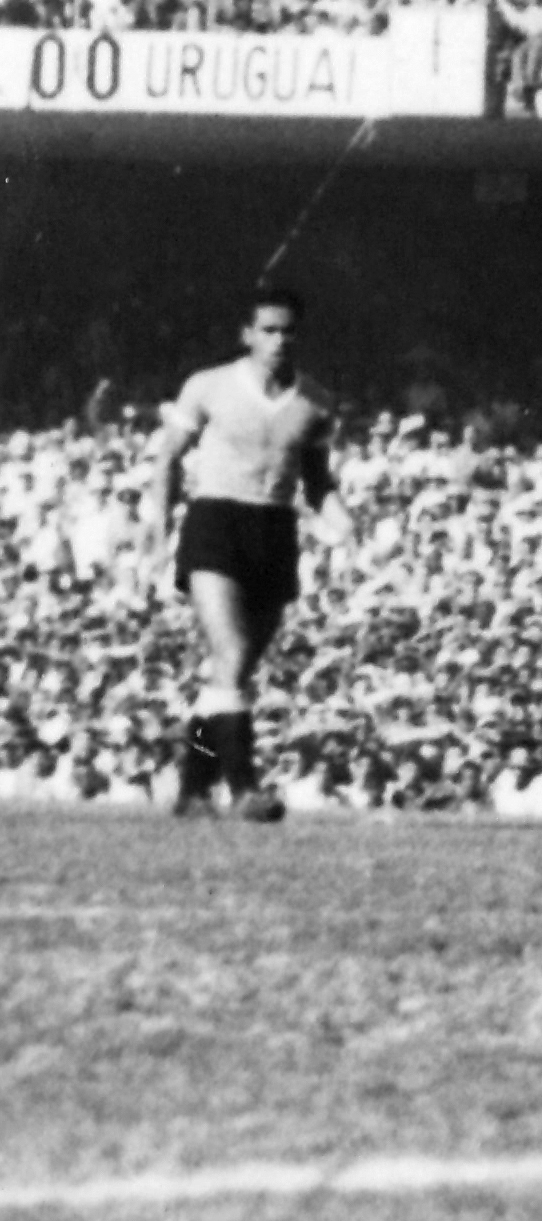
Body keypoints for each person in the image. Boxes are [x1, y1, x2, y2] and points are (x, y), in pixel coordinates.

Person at [142, 284, 350, 822]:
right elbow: (168, 460)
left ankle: (192, 789)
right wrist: (157, 531)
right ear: (248, 335)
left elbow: (318, 482)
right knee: (231, 657)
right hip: (215, 522)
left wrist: (343, 523)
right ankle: (243, 787)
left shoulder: (316, 401)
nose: (279, 340)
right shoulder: (208, 387)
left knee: (228, 676)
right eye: (269, 330)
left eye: (288, 330)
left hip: (274, 530)